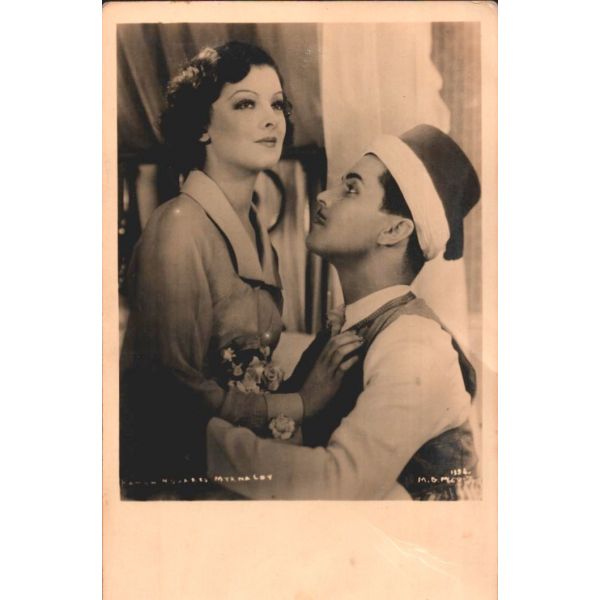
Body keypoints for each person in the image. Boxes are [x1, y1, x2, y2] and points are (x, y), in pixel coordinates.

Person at [120, 41, 361, 499]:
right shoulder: (179, 228)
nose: (272, 120)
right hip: (178, 477)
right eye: (246, 103)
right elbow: (171, 398)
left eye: (277, 104)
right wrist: (301, 403)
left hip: (232, 456)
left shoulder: (255, 231)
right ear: (201, 127)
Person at [206, 124, 481, 500]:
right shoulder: (346, 326)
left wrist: (201, 444)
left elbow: (339, 483)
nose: (322, 196)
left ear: (395, 230)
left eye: (350, 189)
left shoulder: (416, 346)